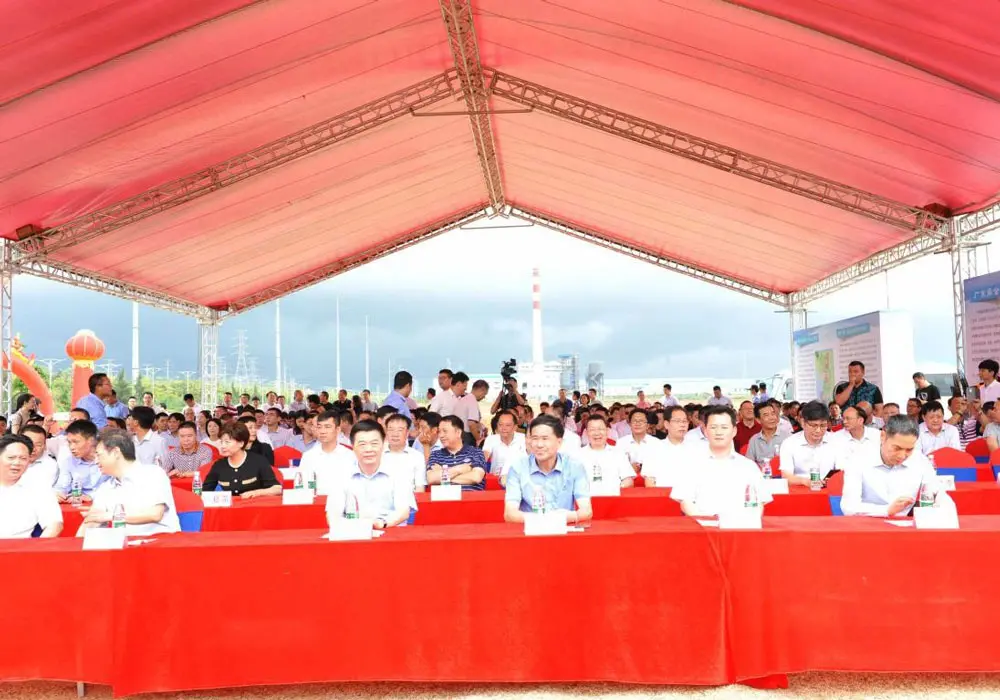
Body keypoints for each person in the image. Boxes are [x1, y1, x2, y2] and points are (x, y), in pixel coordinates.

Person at [841, 416, 955, 517]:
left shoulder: (920, 461)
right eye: (897, 448)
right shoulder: (858, 460)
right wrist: (886, 510)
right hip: (867, 525)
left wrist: (946, 509)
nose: (902, 455)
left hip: (904, 526)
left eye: (909, 450)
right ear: (883, 436)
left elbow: (938, 493)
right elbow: (849, 507)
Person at [671, 406, 771, 516]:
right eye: (713, 427)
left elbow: (760, 502)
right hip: (702, 524)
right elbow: (685, 502)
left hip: (740, 524)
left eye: (724, 427)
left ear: (734, 431)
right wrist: (706, 521)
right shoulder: (691, 465)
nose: (718, 432)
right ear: (706, 431)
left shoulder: (748, 466)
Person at [77, 429, 180, 535]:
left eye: (99, 455)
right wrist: (77, 542)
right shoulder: (106, 487)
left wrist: (110, 515)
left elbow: (155, 514)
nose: (96, 461)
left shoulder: (153, 474)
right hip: (124, 542)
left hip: (160, 541)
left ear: (116, 452)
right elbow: (94, 519)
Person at [503, 414, 592, 525]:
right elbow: (510, 514)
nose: (539, 445)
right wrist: (547, 519)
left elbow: (586, 511)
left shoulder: (574, 466)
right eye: (535, 438)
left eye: (545, 439)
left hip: (564, 529)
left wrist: (559, 518)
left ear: (559, 442)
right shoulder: (518, 468)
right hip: (530, 530)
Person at [325, 421, 413, 529]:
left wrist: (382, 523)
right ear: (352, 446)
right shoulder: (341, 474)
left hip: (390, 531)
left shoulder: (399, 472)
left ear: (383, 444)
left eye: (374, 443)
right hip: (352, 533)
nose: (368, 449)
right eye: (362, 444)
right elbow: (333, 513)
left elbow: (403, 511)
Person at [0, 434, 62, 538]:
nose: (17, 462)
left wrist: (39, 546)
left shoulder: (39, 487)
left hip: (21, 546)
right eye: (11, 458)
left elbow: (54, 524)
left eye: (23, 458)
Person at [202, 422, 281, 498]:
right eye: (221, 442)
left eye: (227, 442)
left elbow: (277, 489)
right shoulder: (218, 466)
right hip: (231, 506)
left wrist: (256, 493)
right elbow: (205, 491)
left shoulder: (258, 461)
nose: (223, 446)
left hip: (254, 505)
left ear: (241, 443)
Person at [778, 401, 839, 486]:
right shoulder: (789, 443)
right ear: (803, 423)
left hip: (829, 489)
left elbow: (843, 471)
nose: (818, 430)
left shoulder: (836, 441)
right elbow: (786, 477)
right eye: (814, 425)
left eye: (823, 425)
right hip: (800, 489)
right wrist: (804, 481)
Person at [298, 410, 358, 496]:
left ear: (337, 430)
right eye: (319, 427)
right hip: (317, 502)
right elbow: (302, 485)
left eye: (327, 427)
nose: (322, 431)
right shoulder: (308, 456)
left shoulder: (350, 456)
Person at [426, 415, 487, 490]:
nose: (441, 435)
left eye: (445, 431)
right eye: (439, 432)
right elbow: (430, 478)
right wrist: (459, 469)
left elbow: (476, 477)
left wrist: (443, 475)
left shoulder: (476, 452)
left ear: (458, 432)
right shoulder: (435, 455)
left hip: (470, 497)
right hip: (445, 497)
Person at [54, 420, 106, 502]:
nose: (71, 447)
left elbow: (117, 488)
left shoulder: (108, 459)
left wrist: (91, 496)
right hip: (79, 504)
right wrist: (57, 494)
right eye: (69, 442)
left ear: (91, 440)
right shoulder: (68, 462)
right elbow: (62, 486)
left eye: (76, 442)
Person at [576, 415, 634, 488]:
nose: (597, 433)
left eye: (600, 429)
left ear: (607, 431)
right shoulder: (577, 455)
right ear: (586, 432)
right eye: (592, 430)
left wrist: (617, 488)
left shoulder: (618, 453)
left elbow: (628, 479)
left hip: (613, 493)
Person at [381, 413, 426, 493]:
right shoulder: (378, 455)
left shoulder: (417, 456)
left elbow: (420, 487)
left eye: (400, 430)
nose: (395, 434)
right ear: (386, 432)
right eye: (391, 430)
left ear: (407, 433)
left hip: (409, 499)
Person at [616, 408, 663, 481]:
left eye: (641, 421)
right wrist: (629, 468)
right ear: (630, 424)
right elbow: (617, 466)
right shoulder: (621, 443)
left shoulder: (657, 443)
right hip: (626, 481)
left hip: (651, 482)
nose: (637, 423)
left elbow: (660, 466)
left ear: (647, 425)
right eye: (634, 421)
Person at [482, 410, 526, 476]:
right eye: (500, 425)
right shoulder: (491, 439)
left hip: (519, 477)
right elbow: (483, 458)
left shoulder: (524, 439)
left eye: (508, 425)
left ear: (515, 427)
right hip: (496, 478)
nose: (503, 428)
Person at [18, 424, 59, 491]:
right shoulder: (6, 459)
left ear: (45, 446)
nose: (33, 449)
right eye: (28, 443)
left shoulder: (50, 465)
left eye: (38, 445)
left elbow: (39, 491)